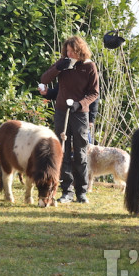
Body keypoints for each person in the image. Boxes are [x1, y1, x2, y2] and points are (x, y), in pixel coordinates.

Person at [40, 36, 99, 204]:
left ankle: (82, 192)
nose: (69, 54)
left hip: (80, 114)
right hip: (61, 112)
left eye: (72, 51)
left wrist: (80, 104)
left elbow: (94, 93)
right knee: (63, 151)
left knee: (80, 153)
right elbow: (44, 79)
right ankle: (67, 191)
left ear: (80, 51)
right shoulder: (63, 64)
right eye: (67, 51)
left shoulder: (89, 67)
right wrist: (58, 68)